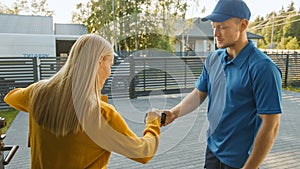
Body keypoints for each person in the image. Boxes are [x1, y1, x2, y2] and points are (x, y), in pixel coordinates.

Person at [4, 34, 161, 169]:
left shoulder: (37, 93)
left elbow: (11, 97)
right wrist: (153, 121)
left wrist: (49, 99)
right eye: (110, 64)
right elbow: (143, 152)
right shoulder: (102, 115)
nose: (110, 71)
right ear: (99, 62)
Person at [162, 0, 282, 169]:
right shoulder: (214, 58)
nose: (216, 33)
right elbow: (198, 94)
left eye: (222, 27)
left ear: (242, 25)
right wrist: (173, 114)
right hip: (213, 151)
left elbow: (271, 124)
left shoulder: (263, 68)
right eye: (214, 27)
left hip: (241, 161)